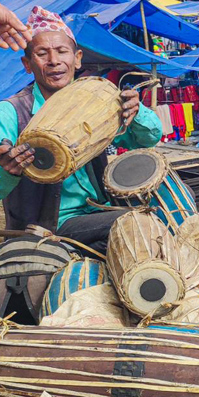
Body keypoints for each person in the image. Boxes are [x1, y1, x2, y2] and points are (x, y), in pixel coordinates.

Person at [0, 7, 161, 251]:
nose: (54, 61)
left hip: (100, 208)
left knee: (175, 198)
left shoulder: (98, 102)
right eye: (42, 54)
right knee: (135, 222)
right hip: (51, 225)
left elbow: (148, 139)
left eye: (62, 52)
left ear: (77, 58)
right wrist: (7, 170)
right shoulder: (11, 111)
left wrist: (136, 113)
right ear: (28, 64)